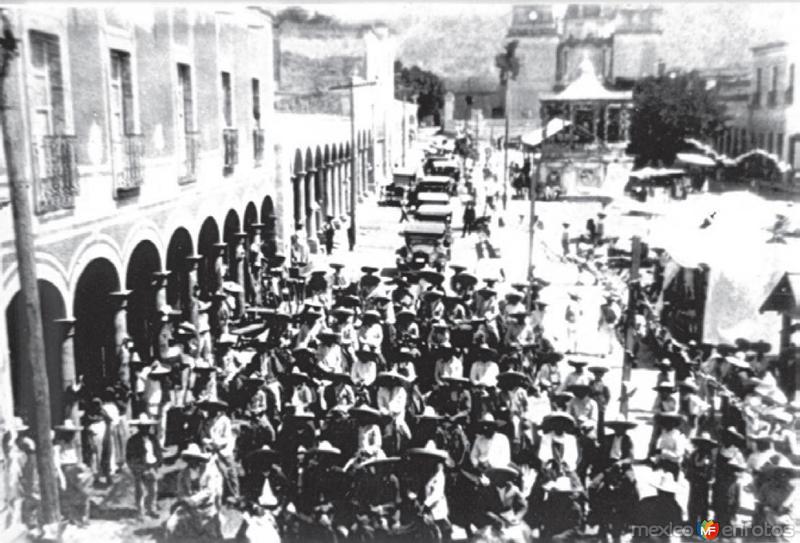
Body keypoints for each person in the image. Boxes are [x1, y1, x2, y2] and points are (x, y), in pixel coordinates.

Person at [125, 413, 163, 519]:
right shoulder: (133, 440)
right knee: (140, 490)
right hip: (140, 467)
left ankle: (152, 509)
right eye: (143, 427)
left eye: (147, 427)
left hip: (152, 466)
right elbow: (130, 457)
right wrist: (139, 469)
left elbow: (158, 452)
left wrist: (158, 464)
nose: (145, 429)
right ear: (139, 427)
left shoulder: (153, 439)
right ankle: (140, 511)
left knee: (153, 490)